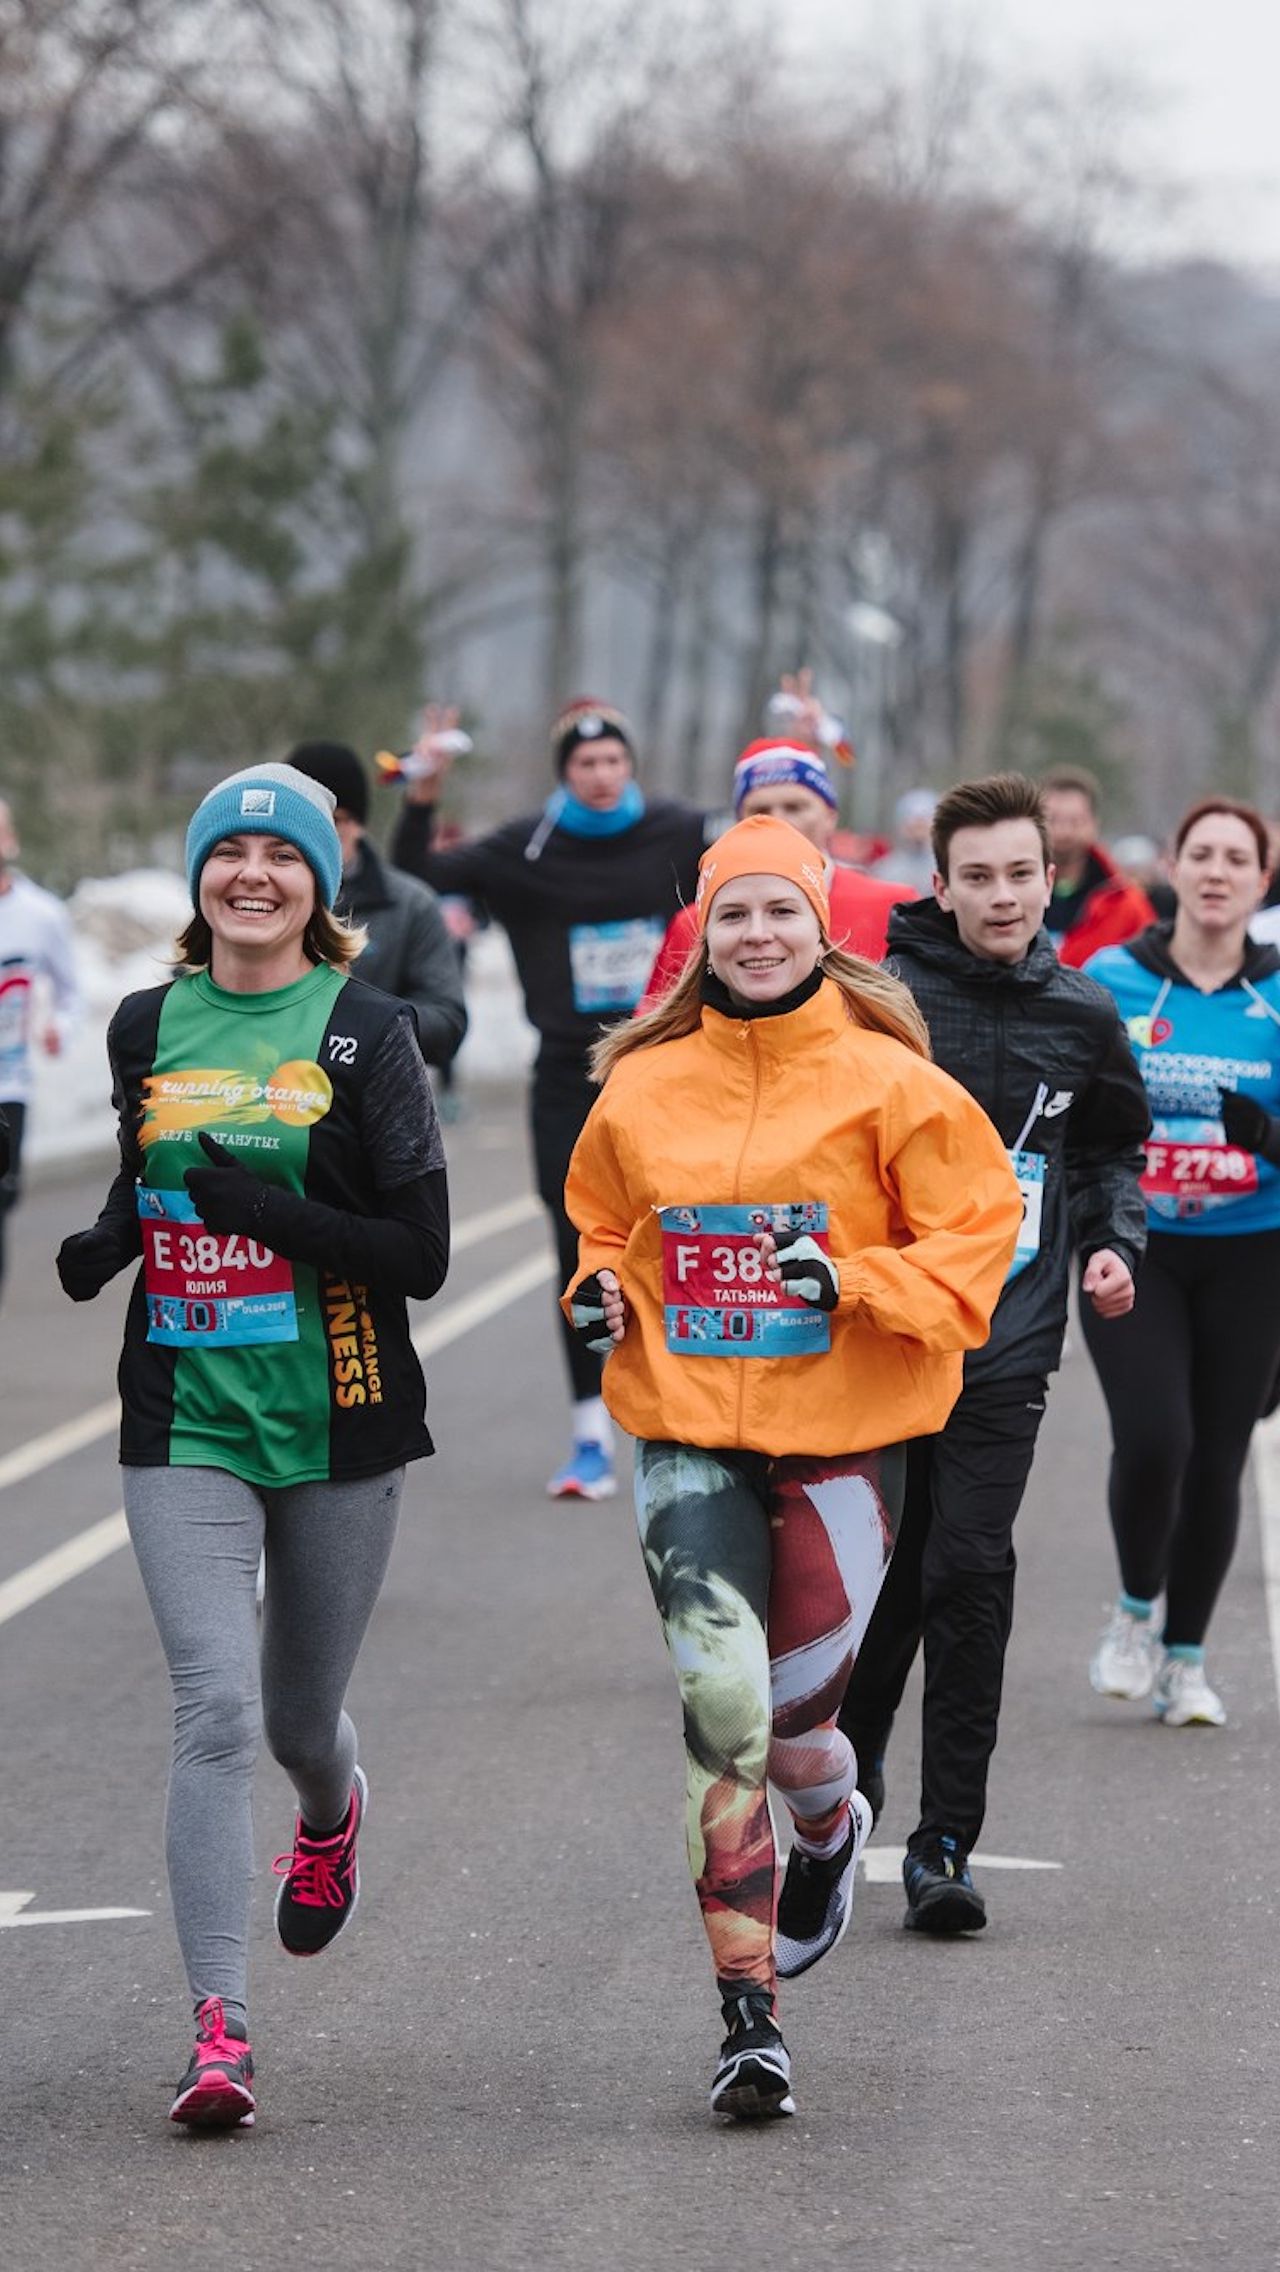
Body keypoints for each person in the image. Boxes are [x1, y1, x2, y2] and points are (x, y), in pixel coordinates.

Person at [562, 813, 1022, 2121]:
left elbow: (977, 1236)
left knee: (803, 1731)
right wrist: (596, 1288)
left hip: (842, 1443)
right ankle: (747, 2018)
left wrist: (853, 1277)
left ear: (822, 925)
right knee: (725, 1719)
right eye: (731, 916)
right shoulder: (645, 1086)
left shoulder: (895, 1083)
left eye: (778, 912)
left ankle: (832, 1822)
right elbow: (604, 1221)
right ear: (700, 937)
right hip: (688, 1429)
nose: (756, 936)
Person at [55, 762, 449, 2131]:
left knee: (293, 1720)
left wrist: (264, 1217)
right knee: (214, 1708)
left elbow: (421, 1253)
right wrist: (116, 1238)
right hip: (185, 1417)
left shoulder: (365, 1030)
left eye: (281, 859)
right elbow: (146, 1163)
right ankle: (218, 2029)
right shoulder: (146, 1022)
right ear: (200, 877)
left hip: (340, 1413)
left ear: (318, 888)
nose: (253, 876)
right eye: (229, 854)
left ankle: (331, 1811)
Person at [838, 775, 1150, 1932]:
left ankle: (944, 1842)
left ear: (1047, 876)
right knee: (882, 1579)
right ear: (940, 885)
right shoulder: (880, 1002)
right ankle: (844, 1799)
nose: (1001, 893)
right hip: (879, 1335)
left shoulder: (1080, 1012)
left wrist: (1111, 1244)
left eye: (1020, 872)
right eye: (977, 875)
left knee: (966, 1572)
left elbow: (1108, 1150)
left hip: (1005, 1341)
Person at [391, 697, 707, 1501]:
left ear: (630, 766)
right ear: (564, 773)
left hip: (672, 1065)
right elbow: (416, 875)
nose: (602, 777)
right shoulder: (527, 846)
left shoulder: (676, 830)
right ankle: (589, 1433)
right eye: (584, 765)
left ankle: (690, 1413)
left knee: (688, 1238)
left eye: (613, 762)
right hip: (571, 1072)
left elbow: (779, 853)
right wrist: (423, 794)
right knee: (579, 1254)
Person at [1081, 796, 1280, 1727]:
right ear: (1172, 865)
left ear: (1261, 879)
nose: (1216, 872)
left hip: (1254, 1254)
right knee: (1158, 1438)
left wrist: (1269, 1136)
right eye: (1200, 853)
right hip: (1139, 1248)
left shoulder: (1277, 992)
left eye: (1236, 858)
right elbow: (1065, 1106)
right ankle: (1131, 1611)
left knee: (1218, 1457)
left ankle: (1188, 1658)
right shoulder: (1114, 978)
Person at [638, 736, 911, 1009]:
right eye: (760, 810)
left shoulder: (893, 907)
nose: (778, 821)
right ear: (737, 823)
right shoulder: (695, 923)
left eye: (795, 807)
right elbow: (658, 1030)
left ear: (830, 816)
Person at [286, 740, 467, 1071]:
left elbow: (447, 1021)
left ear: (359, 823)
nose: (320, 834)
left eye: (336, 819)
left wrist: (358, 1024)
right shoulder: (251, 897)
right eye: (308, 819)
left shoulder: (410, 904)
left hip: (368, 1100)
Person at [0, 797, 79, 1294]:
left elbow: (71, 993)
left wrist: (59, 1027)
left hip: (9, 1086)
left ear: (9, 841)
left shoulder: (41, 915)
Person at [1039, 767, 1155, 966]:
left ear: (1094, 824)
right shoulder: (1012, 896)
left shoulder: (1125, 905)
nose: (1064, 831)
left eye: (1075, 821)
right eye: (1053, 820)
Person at [868, 789, 939, 897]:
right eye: (913, 822)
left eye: (923, 822)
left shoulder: (947, 870)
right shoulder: (884, 870)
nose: (918, 827)